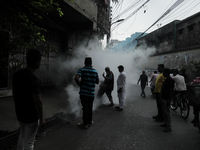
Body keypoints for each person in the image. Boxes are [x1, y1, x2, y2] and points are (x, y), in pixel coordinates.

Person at [12, 49, 45, 150]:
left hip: (20, 112)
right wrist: (42, 118)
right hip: (31, 116)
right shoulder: (34, 80)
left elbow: (14, 93)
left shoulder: (16, 74)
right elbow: (38, 101)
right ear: (37, 62)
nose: (40, 63)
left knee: (22, 135)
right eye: (40, 61)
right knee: (29, 141)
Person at [74, 57, 99, 129]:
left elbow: (76, 78)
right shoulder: (95, 71)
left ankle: (85, 124)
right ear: (91, 63)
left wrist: (80, 85)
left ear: (84, 62)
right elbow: (97, 82)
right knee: (90, 107)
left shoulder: (82, 70)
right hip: (91, 93)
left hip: (84, 93)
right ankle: (90, 121)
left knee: (85, 108)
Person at [160, 68, 174, 132]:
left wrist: (169, 100)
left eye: (164, 72)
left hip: (166, 98)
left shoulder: (171, 80)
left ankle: (169, 127)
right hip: (163, 97)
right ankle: (166, 123)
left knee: (167, 112)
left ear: (167, 73)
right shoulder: (166, 79)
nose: (163, 74)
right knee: (164, 111)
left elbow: (171, 91)